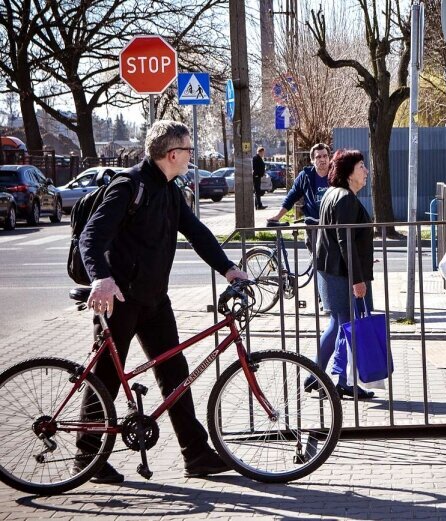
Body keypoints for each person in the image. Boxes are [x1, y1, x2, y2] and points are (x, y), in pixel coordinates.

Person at [76, 120, 249, 484]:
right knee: (105, 376)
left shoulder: (170, 189)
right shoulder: (129, 185)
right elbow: (90, 237)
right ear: (172, 154)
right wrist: (102, 279)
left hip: (154, 300)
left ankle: (196, 454)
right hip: (118, 299)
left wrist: (229, 269)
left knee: (175, 375)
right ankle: (87, 459)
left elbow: (196, 232)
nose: (192, 156)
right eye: (188, 151)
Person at [306, 149, 375, 400]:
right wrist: (358, 279)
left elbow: (343, 240)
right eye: (361, 167)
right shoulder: (345, 198)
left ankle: (314, 376)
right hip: (340, 274)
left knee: (338, 325)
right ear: (348, 173)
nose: (366, 172)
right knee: (347, 326)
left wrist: (365, 257)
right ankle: (340, 381)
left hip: (330, 270)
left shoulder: (333, 194)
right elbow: (344, 241)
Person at [268, 143, 331, 251]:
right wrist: (278, 216)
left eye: (325, 156)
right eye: (318, 157)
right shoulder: (305, 176)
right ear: (312, 160)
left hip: (332, 225)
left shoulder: (335, 174)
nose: (322, 159)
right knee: (316, 261)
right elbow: (291, 197)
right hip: (313, 225)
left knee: (333, 262)